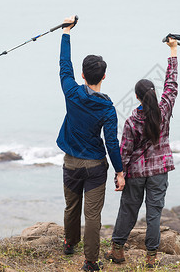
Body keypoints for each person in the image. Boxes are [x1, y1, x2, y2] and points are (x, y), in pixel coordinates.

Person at [57, 16, 125, 271]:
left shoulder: (71, 92)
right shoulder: (107, 108)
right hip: (96, 166)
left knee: (71, 205)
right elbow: (111, 142)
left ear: (82, 75)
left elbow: (64, 66)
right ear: (104, 76)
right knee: (92, 216)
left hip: (71, 163)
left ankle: (69, 243)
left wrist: (66, 32)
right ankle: (90, 262)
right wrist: (120, 171)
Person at [105, 37, 178, 268]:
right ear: (154, 95)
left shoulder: (131, 121)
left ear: (137, 97)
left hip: (136, 173)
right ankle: (151, 257)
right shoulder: (164, 109)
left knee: (128, 209)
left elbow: (124, 152)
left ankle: (117, 251)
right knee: (154, 213)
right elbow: (172, 85)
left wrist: (120, 174)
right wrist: (173, 51)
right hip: (160, 171)